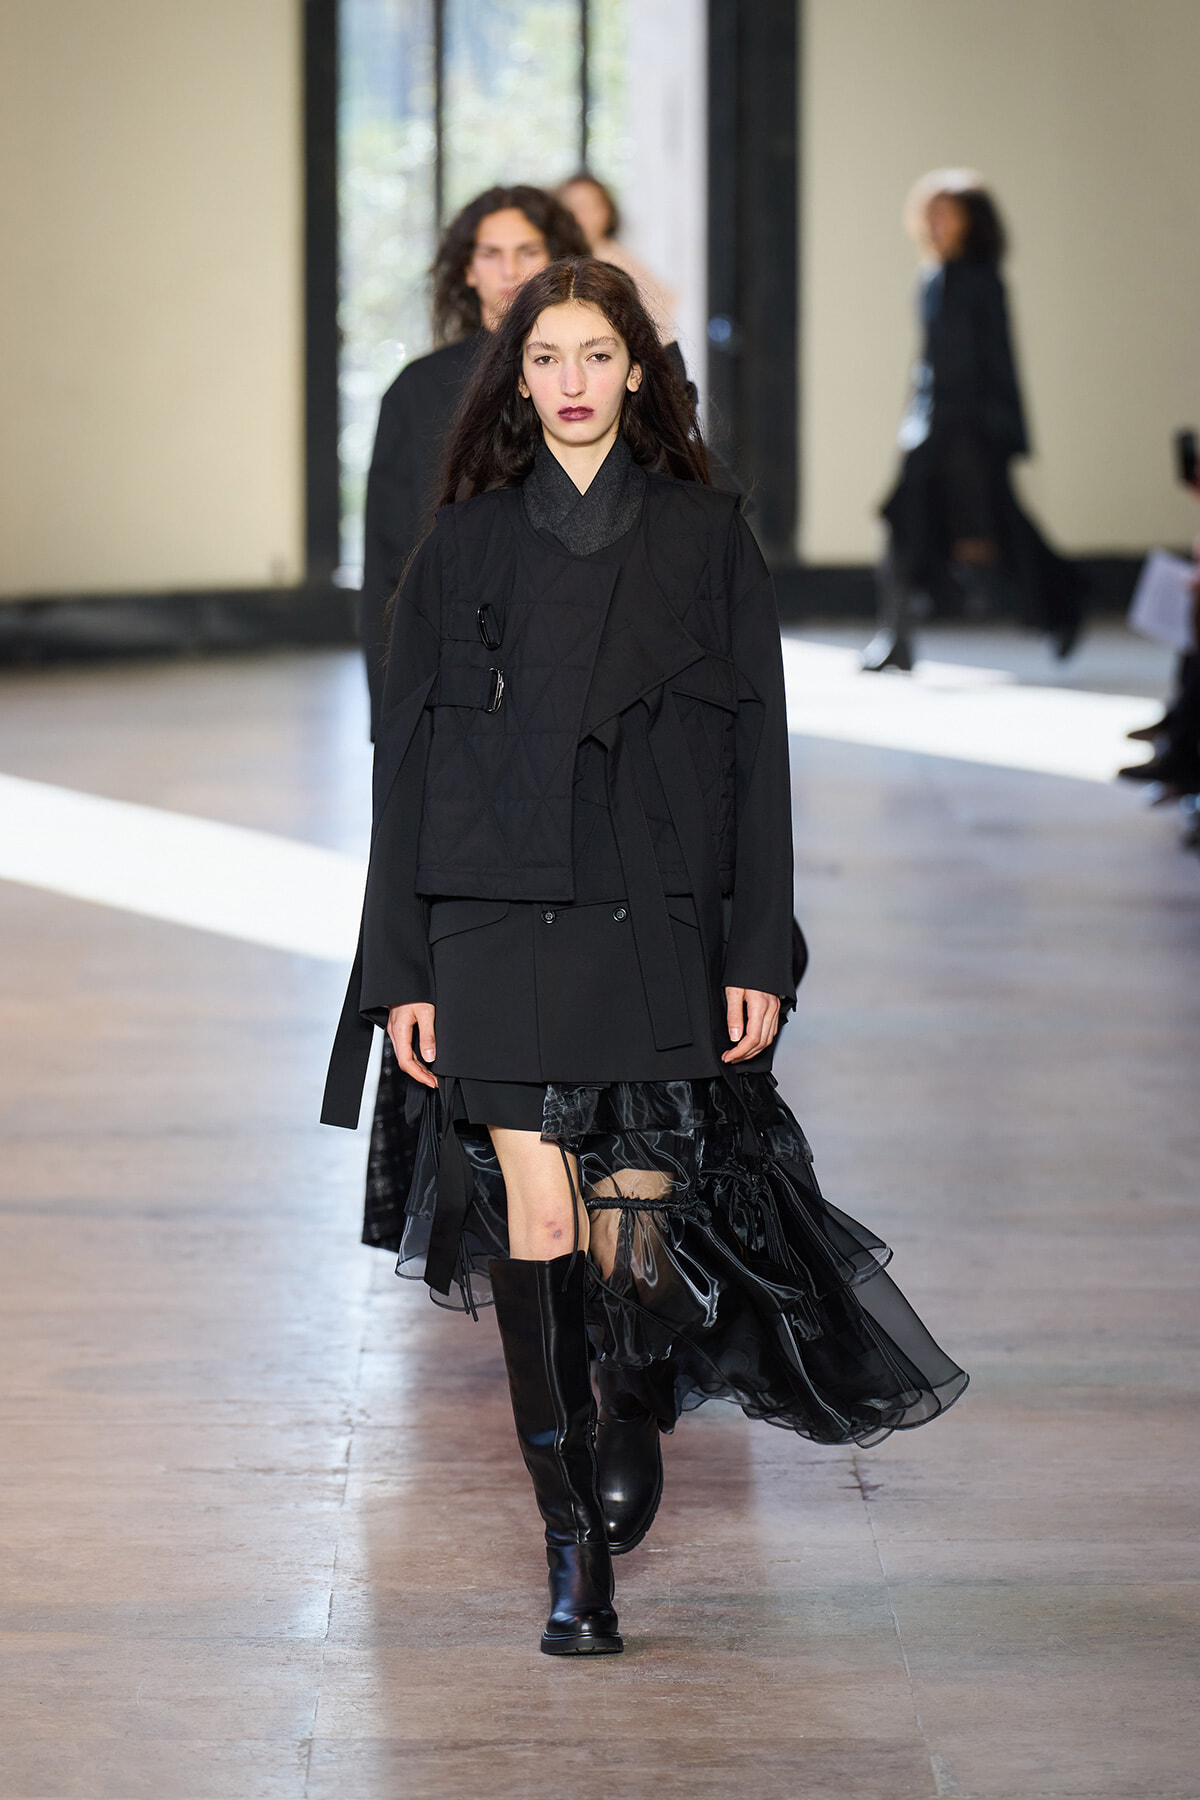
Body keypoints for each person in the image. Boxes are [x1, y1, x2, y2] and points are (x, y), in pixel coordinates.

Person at [323, 259, 967, 1659]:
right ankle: (572, 1555)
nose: (572, 381)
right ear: (517, 380)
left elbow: (759, 760)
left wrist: (758, 949)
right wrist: (400, 970)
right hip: (493, 918)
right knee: (539, 1216)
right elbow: (405, 769)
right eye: (545, 357)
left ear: (637, 373)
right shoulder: (463, 546)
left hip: (653, 913)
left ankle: (627, 1388)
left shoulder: (705, 538)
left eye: (596, 355)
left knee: (636, 1220)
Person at [360, 185, 587, 737]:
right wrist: (391, 712)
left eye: (527, 251)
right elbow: (389, 563)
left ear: (559, 261)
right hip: (459, 672)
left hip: (580, 656)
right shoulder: (417, 392)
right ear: (466, 269)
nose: (509, 269)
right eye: (491, 253)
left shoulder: (592, 383)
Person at [863, 170, 1087, 673]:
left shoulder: (980, 279)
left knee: (1004, 531)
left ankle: (1067, 596)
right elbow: (928, 364)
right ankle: (897, 634)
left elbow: (995, 362)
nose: (935, 224)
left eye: (945, 214)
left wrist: (998, 432)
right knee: (902, 520)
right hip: (933, 428)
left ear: (971, 221)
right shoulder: (931, 277)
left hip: (972, 432)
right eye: (929, 214)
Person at [558, 170, 677, 343]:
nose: (582, 216)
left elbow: (663, 303)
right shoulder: (559, 257)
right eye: (574, 208)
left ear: (608, 212)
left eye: (592, 207)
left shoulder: (615, 258)